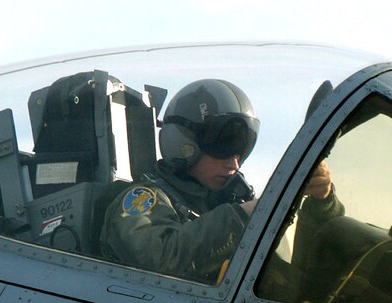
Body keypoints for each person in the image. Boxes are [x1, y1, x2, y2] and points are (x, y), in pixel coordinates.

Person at [100, 78, 342, 283]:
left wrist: (322, 202)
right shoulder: (143, 199)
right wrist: (251, 213)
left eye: (240, 151)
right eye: (224, 147)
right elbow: (161, 258)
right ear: (184, 142)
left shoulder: (233, 201)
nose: (233, 164)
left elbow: (300, 275)